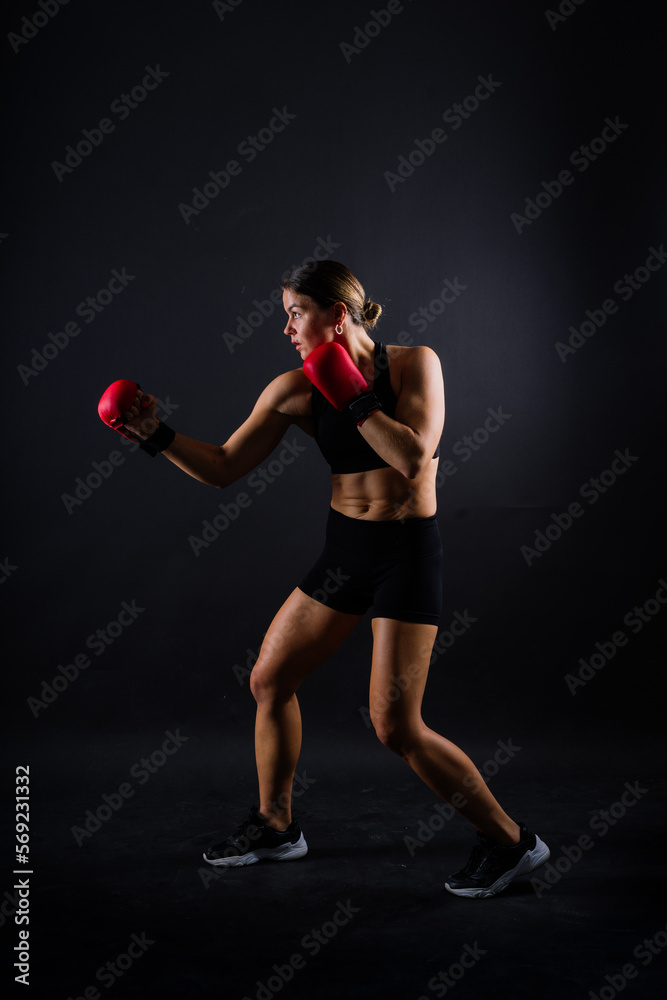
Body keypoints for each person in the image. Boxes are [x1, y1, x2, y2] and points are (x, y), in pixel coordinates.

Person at [99, 260, 549, 898]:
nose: (285, 328)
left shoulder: (416, 365)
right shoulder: (295, 390)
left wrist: (353, 395)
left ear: (337, 315)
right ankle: (277, 825)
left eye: (294, 313)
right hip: (347, 549)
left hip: (406, 553)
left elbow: (414, 458)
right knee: (270, 679)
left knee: (396, 726)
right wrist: (156, 435)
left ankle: (511, 842)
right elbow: (225, 466)